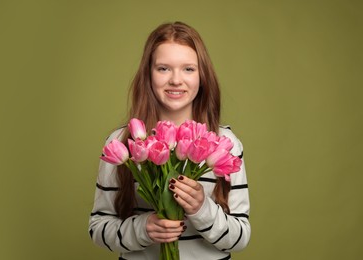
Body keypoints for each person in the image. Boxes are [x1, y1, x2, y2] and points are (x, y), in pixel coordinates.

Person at [89, 21, 251, 259]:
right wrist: (142, 229)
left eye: (188, 69)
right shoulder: (123, 142)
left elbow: (240, 238)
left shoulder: (224, 144)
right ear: (149, 74)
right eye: (163, 68)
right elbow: (98, 227)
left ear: (202, 76)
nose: (176, 80)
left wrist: (201, 209)